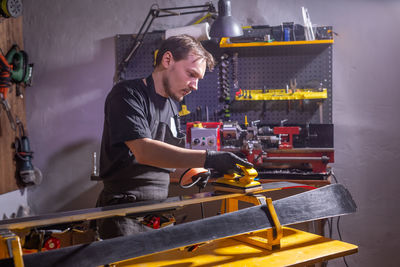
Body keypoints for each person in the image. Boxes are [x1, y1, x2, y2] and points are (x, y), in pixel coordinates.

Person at [96, 34, 252, 239]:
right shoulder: (127, 94)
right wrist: (209, 157)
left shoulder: (172, 106)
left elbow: (166, 164)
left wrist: (196, 171)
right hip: (123, 213)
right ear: (167, 60)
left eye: (198, 79)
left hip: (157, 213)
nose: (195, 85)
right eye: (191, 74)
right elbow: (144, 151)